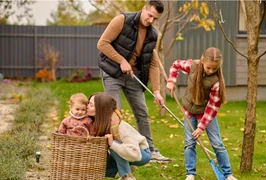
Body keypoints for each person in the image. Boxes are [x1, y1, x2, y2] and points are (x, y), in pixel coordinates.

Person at [97, 0, 170, 162]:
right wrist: (121, 60)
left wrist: (157, 91)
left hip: (133, 76)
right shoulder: (122, 20)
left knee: (142, 112)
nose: (151, 20)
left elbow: (153, 63)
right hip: (112, 72)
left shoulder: (152, 35)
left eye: (155, 18)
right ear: (144, 9)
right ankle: (115, 153)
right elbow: (102, 44)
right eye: (149, 15)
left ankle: (150, 151)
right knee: (115, 114)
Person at [166, 47, 238, 180]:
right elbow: (175, 65)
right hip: (188, 109)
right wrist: (171, 81)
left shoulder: (216, 81)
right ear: (202, 61)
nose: (210, 71)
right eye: (208, 67)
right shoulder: (193, 65)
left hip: (205, 113)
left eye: (214, 69)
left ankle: (228, 174)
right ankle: (190, 173)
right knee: (189, 143)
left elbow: (212, 107)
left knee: (217, 143)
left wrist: (201, 127)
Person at [86, 92, 151, 180]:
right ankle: (126, 165)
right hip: (123, 151)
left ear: (101, 109)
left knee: (114, 144)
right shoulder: (95, 122)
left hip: (141, 153)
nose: (87, 107)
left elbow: (135, 154)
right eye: (88, 103)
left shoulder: (119, 127)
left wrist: (112, 144)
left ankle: (126, 176)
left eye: (91, 105)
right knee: (99, 170)